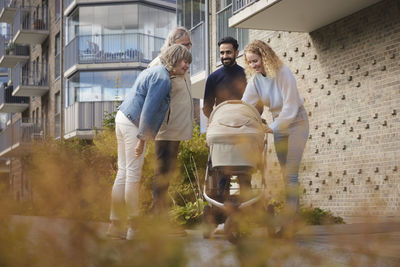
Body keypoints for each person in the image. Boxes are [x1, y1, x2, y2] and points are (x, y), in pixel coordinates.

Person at [107, 44, 192, 240]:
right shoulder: (163, 79)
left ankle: (115, 224)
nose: (187, 66)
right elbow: (149, 110)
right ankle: (133, 228)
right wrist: (141, 140)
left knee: (123, 172)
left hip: (122, 118)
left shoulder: (153, 71)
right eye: (185, 61)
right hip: (133, 125)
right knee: (133, 175)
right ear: (175, 58)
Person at [241, 39, 309, 216]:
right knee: (285, 173)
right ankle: (294, 216)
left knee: (291, 174)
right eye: (249, 62)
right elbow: (245, 104)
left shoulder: (282, 72)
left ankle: (290, 218)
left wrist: (273, 126)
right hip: (278, 124)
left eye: (255, 60)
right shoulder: (256, 80)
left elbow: (291, 105)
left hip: (296, 122)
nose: (253, 65)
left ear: (265, 56)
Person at [147, 27, 194, 213]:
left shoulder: (182, 62)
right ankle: (158, 215)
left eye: (190, 44)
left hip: (176, 128)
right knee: (162, 171)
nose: (189, 47)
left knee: (168, 172)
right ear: (172, 44)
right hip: (164, 129)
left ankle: (160, 213)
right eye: (185, 44)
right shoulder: (160, 64)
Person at [202, 36, 248, 203]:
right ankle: (222, 212)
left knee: (245, 174)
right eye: (222, 53)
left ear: (236, 52)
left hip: (244, 129)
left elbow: (255, 105)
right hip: (222, 129)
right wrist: (213, 119)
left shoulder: (246, 75)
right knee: (223, 174)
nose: (225, 56)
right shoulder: (213, 78)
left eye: (228, 52)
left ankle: (246, 212)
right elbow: (207, 107)